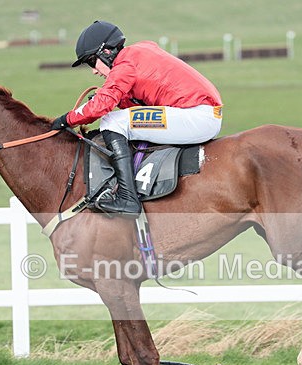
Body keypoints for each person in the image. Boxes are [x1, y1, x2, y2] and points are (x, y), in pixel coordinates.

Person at [51, 20, 223, 217]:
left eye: (91, 62)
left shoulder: (125, 65)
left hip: (196, 116)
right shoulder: (139, 51)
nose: (94, 71)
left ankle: (127, 198)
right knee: (119, 119)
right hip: (201, 114)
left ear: (106, 52)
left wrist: (66, 119)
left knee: (112, 122)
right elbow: (137, 105)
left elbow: (100, 107)